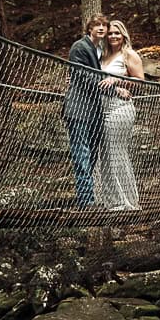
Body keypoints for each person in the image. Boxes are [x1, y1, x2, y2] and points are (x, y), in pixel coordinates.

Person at [92, 17, 145, 211]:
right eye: (110, 33)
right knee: (103, 153)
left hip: (120, 108)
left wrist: (118, 82)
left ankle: (126, 200)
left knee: (115, 151)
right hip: (100, 109)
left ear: (123, 35)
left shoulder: (129, 55)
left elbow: (140, 81)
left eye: (117, 33)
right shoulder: (101, 55)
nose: (113, 36)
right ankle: (110, 200)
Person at [63, 13, 109, 206]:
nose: (101, 28)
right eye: (96, 25)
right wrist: (112, 88)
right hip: (78, 109)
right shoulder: (80, 47)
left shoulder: (98, 50)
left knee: (90, 154)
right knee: (81, 153)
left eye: (104, 26)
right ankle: (86, 200)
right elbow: (82, 75)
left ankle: (87, 196)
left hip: (93, 111)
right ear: (89, 28)